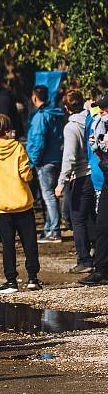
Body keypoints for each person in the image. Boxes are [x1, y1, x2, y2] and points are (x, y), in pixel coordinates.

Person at [0, 114, 42, 293]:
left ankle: (11, 280)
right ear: (6, 130)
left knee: (7, 244)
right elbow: (26, 174)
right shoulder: (18, 148)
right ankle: (32, 278)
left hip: (1, 206)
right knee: (29, 242)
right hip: (23, 203)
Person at [56, 90, 95, 273]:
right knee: (91, 217)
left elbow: (69, 157)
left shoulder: (71, 127)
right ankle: (96, 253)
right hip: (94, 173)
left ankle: (84, 259)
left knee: (77, 219)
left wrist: (61, 181)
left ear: (66, 107)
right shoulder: (91, 120)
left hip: (79, 176)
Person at [26, 85, 65, 243]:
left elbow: (38, 140)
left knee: (48, 196)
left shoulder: (40, 117)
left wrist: (32, 161)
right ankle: (50, 227)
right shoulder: (55, 113)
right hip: (56, 157)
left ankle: (54, 231)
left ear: (35, 98)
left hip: (45, 160)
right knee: (52, 196)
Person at [81, 94, 108, 286]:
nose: (101, 111)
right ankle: (101, 269)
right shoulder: (99, 124)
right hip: (106, 174)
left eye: (104, 108)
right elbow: (94, 146)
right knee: (102, 224)